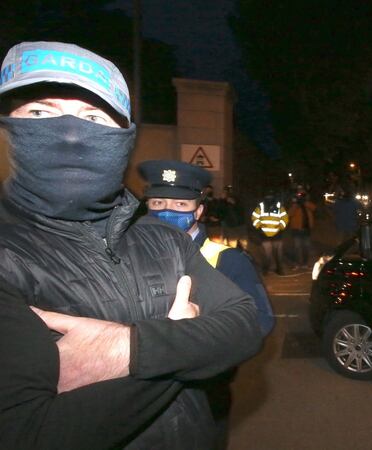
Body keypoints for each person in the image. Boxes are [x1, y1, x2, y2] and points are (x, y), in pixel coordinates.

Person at [0, 41, 262, 449]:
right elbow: (27, 432)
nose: (71, 133)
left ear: (123, 138)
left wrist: (126, 350)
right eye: (40, 112)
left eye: (93, 116)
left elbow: (245, 325)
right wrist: (185, 343)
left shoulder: (165, 240)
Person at [139, 159, 275, 448]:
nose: (166, 211)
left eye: (180, 206)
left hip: (203, 393)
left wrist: (194, 343)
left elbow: (259, 321)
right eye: (158, 202)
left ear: (199, 211)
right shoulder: (129, 254)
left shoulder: (228, 259)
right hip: (141, 398)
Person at [252, 191, 289, 275]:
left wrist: (280, 227)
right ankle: (266, 270)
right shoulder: (261, 206)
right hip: (266, 234)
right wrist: (260, 226)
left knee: (276, 254)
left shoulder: (278, 205)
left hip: (276, 234)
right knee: (268, 254)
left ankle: (278, 269)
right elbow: (254, 217)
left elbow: (285, 218)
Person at [287, 184, 317, 268]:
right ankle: (297, 263)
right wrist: (296, 204)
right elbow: (289, 214)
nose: (301, 195)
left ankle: (305, 263)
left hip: (306, 229)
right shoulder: (294, 203)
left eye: (302, 194)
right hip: (296, 229)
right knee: (297, 247)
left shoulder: (307, 203)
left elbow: (314, 208)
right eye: (299, 194)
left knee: (306, 247)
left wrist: (304, 202)